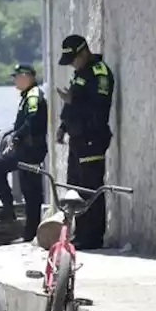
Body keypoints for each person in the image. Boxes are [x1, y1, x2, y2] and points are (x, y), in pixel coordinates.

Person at [56, 34, 116, 250]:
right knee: (75, 187)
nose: (73, 63)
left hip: (93, 136)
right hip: (77, 137)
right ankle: (80, 233)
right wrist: (63, 126)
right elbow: (72, 103)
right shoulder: (80, 73)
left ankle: (93, 236)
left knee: (91, 187)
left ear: (84, 52)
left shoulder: (99, 73)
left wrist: (74, 100)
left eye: (74, 58)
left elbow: (98, 104)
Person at [0, 65, 48, 241]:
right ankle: (28, 231)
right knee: (28, 189)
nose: (14, 80)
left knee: (28, 189)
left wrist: (16, 136)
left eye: (17, 76)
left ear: (26, 76)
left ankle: (12, 213)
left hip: (31, 150)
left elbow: (32, 121)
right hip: (26, 149)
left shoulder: (33, 96)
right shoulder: (28, 95)